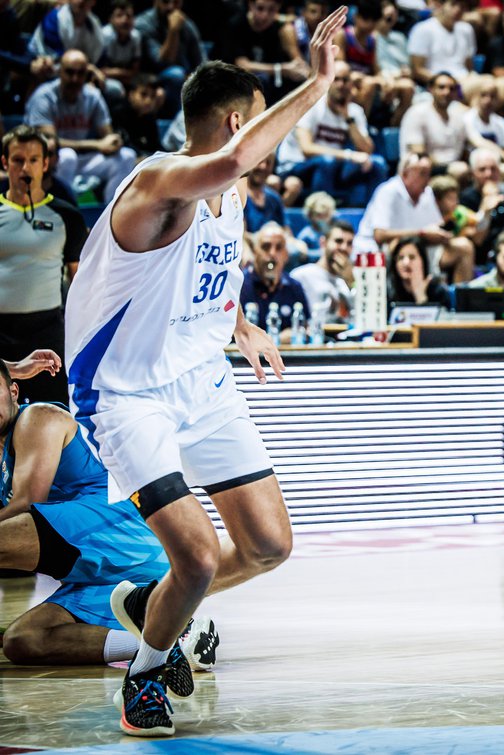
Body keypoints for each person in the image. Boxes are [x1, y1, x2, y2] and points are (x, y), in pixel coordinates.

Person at [63, 9, 347, 737]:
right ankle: (146, 674)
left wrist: (241, 323)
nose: (265, 146)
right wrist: (315, 85)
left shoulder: (236, 193)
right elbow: (224, 166)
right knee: (193, 556)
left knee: (267, 546)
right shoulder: (159, 182)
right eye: (257, 124)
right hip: (126, 394)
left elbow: (213, 275)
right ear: (232, 125)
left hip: (201, 378)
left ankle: (151, 600)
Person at [0, 359, 218, 671]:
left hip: (120, 532)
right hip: (107, 574)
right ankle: (173, 640)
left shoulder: (38, 416)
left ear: (13, 391)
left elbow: (26, 502)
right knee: (24, 641)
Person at [0, 126, 86, 406]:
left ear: (45, 163)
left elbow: (80, 283)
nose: (25, 167)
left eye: (34, 159)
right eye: (17, 159)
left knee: (51, 414)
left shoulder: (67, 215)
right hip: (1, 332)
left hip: (47, 332)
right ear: (4, 162)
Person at [25, 49, 137, 203]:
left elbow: (107, 136)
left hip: (84, 158)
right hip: (53, 160)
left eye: (80, 73)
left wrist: (114, 141)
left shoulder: (92, 96)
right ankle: (64, 210)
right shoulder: (44, 96)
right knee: (67, 156)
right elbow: (50, 143)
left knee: (126, 156)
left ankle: (110, 214)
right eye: (70, 72)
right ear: (59, 72)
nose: (75, 78)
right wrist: (97, 144)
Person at [277, 60, 388, 207]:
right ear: (327, 82)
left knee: (377, 164)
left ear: (351, 84)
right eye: (336, 79)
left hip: (332, 165)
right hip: (296, 166)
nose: (341, 85)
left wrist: (348, 118)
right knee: (327, 162)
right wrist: (348, 155)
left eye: (346, 80)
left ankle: (371, 215)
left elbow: (367, 149)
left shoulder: (354, 111)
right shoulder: (311, 106)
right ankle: (321, 213)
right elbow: (307, 149)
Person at [354, 151, 474, 282]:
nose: (428, 179)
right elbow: (380, 235)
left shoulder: (427, 193)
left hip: (417, 248)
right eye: (422, 173)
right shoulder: (388, 191)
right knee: (401, 248)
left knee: (464, 246)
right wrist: (421, 233)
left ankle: (459, 300)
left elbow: (435, 226)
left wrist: (442, 235)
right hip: (382, 251)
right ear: (405, 174)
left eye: (429, 173)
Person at [221, 0, 311, 105]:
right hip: (233, 82)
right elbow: (242, 65)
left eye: (271, 10)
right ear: (251, 5)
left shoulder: (277, 29)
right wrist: (281, 69)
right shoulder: (236, 25)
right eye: (260, 8)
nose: (264, 16)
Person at [135, 0, 205, 113]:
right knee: (176, 74)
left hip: (184, 76)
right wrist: (173, 30)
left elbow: (201, 62)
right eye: (166, 1)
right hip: (152, 78)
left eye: (176, 2)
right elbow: (163, 61)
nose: (171, 7)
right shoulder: (143, 23)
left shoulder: (187, 25)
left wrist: (195, 76)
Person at [240, 222, 310, 333]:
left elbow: (306, 327)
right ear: (255, 252)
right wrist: (276, 339)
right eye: (266, 247)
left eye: (279, 247)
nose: (272, 253)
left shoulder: (294, 287)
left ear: (286, 255)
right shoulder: (239, 285)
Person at [399, 71, 470, 179]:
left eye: (451, 89)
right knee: (460, 170)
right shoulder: (417, 113)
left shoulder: (458, 114)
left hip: (454, 166)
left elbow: (472, 142)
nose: (447, 92)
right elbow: (418, 151)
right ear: (431, 89)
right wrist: (448, 167)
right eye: (441, 87)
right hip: (423, 169)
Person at [291, 220, 356, 324]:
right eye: (338, 241)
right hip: (316, 337)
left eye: (349, 243)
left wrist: (352, 282)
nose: (344, 247)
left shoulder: (352, 280)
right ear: (323, 243)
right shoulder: (301, 276)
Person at [387, 235, 453, 308]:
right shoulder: (388, 291)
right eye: (401, 258)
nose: (406, 263)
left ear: (423, 261)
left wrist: (420, 296)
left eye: (412, 257)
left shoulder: (438, 291)